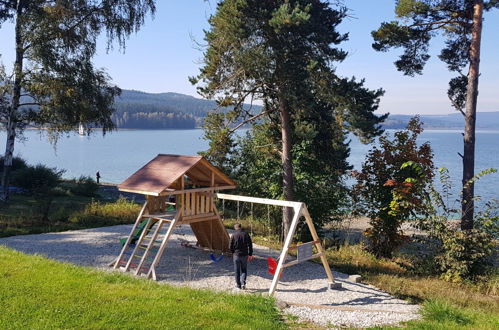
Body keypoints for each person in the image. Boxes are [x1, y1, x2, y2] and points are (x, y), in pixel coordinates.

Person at [229, 223, 253, 290]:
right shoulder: (246, 234)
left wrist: (233, 252)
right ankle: (243, 283)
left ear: (235, 228)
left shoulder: (233, 235)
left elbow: (230, 246)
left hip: (236, 255)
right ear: (240, 227)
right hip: (244, 255)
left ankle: (238, 285)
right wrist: (250, 254)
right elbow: (250, 245)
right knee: (244, 270)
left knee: (237, 270)